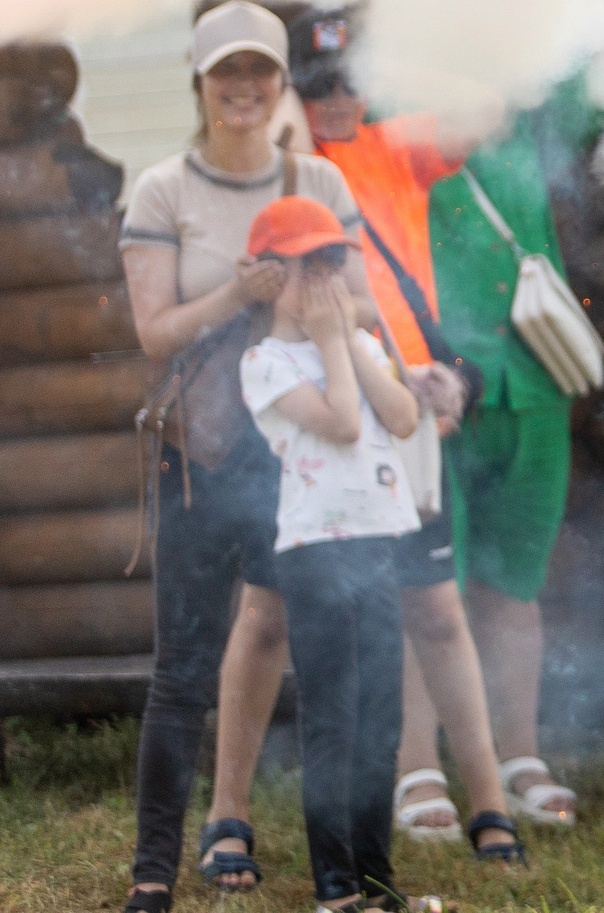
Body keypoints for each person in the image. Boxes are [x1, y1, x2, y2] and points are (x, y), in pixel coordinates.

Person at [118, 0, 376, 911]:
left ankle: (328, 870)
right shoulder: (162, 190)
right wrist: (237, 292)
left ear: (280, 81)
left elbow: (365, 307)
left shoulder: (319, 180)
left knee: (318, 656)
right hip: (203, 453)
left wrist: (300, 294)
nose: (244, 86)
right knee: (180, 671)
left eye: (260, 69)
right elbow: (156, 333)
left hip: (302, 457)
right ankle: (153, 871)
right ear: (199, 81)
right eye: (226, 69)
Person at [288, 8, 526, 866]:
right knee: (370, 605)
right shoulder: (288, 164)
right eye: (318, 86)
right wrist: (289, 108)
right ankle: (412, 771)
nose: (337, 99)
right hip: (329, 400)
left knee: (434, 603)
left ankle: (488, 797)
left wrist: (391, 59)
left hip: (409, 397)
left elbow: (487, 106)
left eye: (349, 81)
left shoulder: (392, 143)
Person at [237, 195, 424, 912]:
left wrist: (347, 340)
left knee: (380, 717)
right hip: (315, 550)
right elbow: (343, 423)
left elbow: (403, 417)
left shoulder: (359, 345)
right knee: (334, 715)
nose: (322, 279)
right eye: (303, 266)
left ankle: (377, 876)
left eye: (329, 262)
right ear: (269, 278)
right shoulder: (265, 362)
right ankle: (336, 884)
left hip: (376, 540)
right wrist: (331, 342)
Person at [427, 97, 589, 828]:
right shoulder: (390, 111)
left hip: (535, 380)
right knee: (430, 591)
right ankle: (418, 767)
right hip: (439, 383)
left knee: (515, 584)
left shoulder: (531, 105)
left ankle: (519, 754)